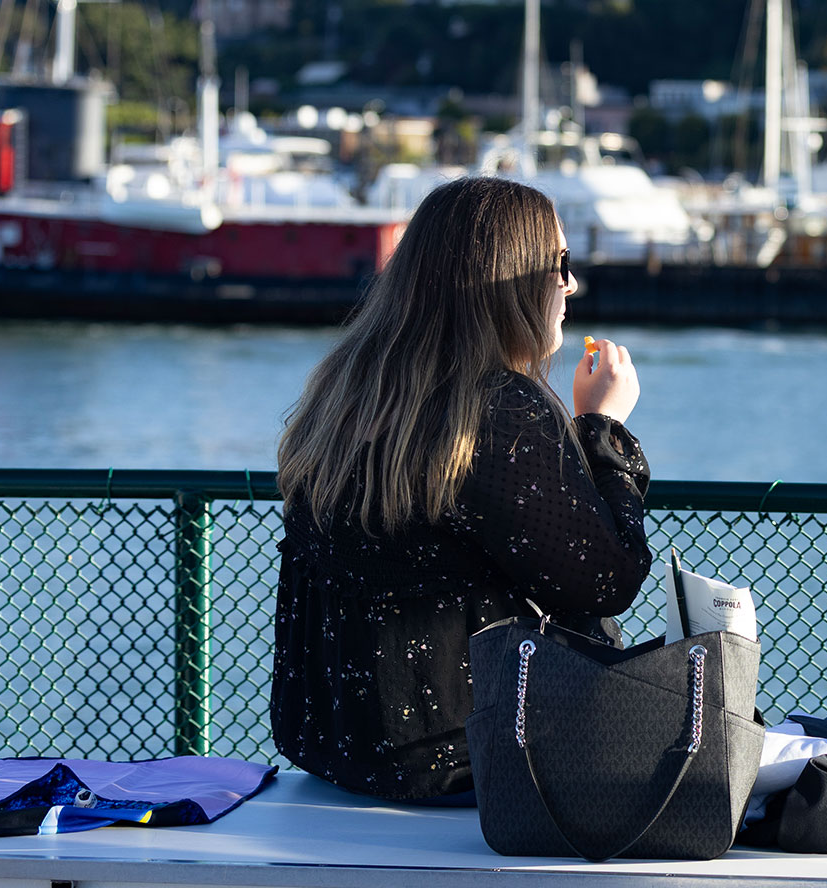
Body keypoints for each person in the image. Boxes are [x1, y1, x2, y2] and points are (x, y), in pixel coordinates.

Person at [270, 176, 650, 804]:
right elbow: (606, 580)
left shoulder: (341, 395)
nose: (570, 285)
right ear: (511, 276)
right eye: (560, 263)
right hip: (466, 762)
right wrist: (604, 432)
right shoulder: (500, 408)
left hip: (337, 752)